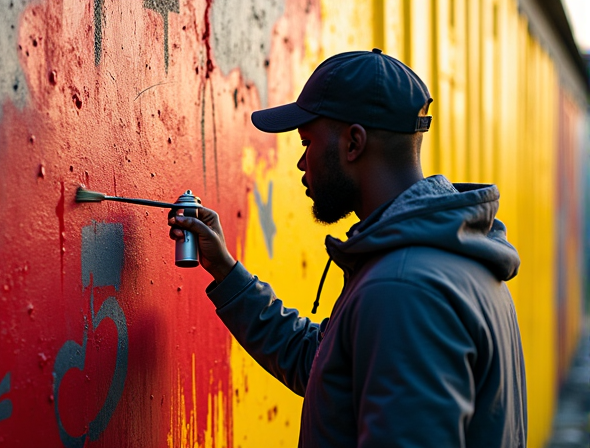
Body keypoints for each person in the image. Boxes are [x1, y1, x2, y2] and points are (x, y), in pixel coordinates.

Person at [168, 49, 527, 447]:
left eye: (307, 142)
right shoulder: (451, 259)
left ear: (353, 143)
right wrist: (225, 269)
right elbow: (323, 367)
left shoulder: (403, 288)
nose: (302, 163)